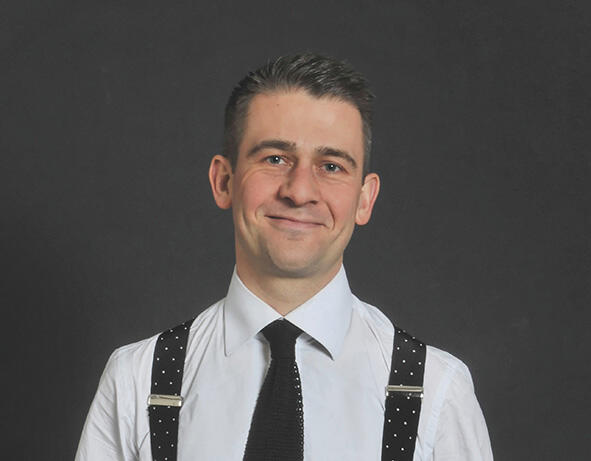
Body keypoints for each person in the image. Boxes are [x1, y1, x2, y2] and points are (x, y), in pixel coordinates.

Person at [76, 54, 493, 460]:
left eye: (331, 166)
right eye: (275, 159)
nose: (299, 191)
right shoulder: (138, 382)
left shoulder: (436, 392)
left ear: (365, 199)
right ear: (224, 181)